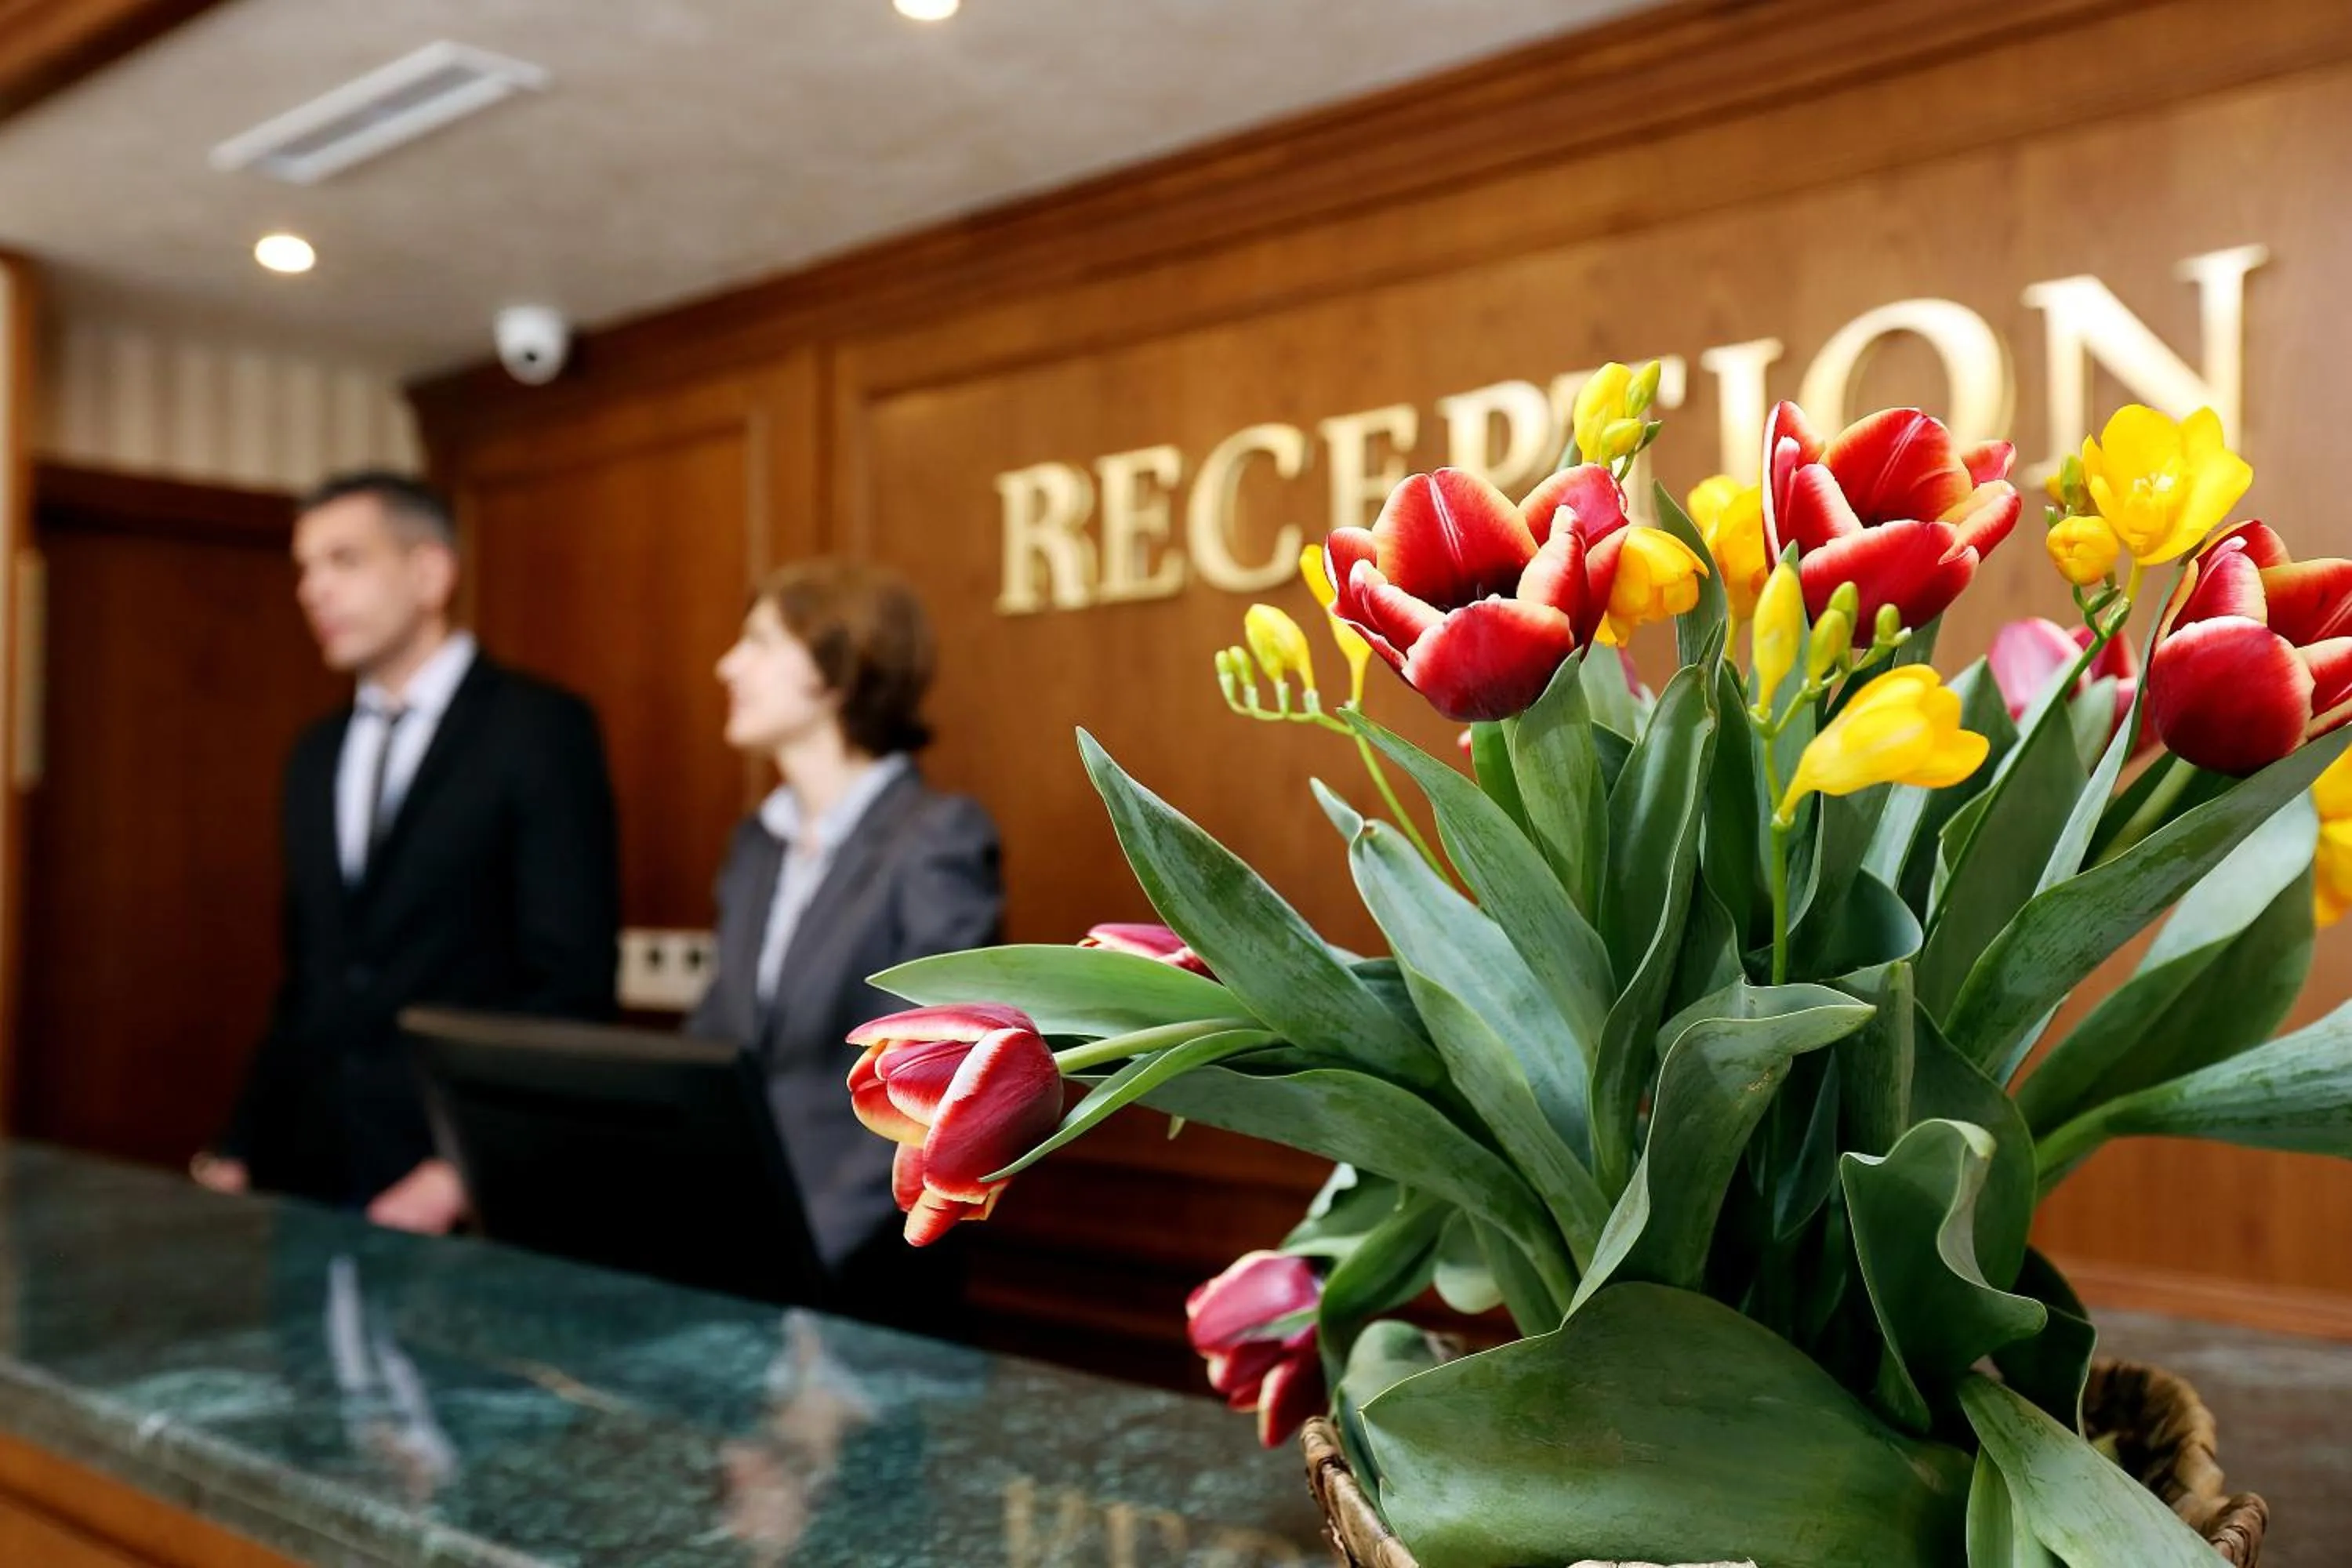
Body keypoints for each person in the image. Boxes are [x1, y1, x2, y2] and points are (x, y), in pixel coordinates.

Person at [193, 473, 620, 1233]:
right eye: (306, 567)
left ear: (430, 572)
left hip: (458, 1193)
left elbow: (570, 986)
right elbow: (310, 981)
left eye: (344, 560)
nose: (312, 590)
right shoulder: (314, 755)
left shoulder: (538, 729)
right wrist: (240, 1143)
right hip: (308, 1177)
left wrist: (461, 1165)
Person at [688, 559, 1002, 1331]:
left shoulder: (938, 839)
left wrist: (802, 1257)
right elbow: (715, 1050)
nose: (729, 664)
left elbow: (935, 1098)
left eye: (759, 640)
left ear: (836, 671)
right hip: (738, 1270)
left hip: (866, 1290)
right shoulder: (754, 845)